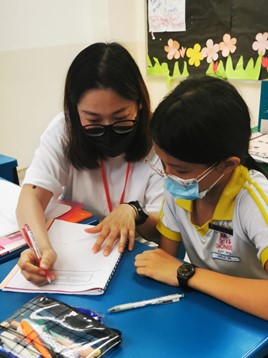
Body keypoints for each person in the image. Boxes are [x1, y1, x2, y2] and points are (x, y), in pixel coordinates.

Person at [16, 42, 163, 285]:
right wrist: (42, 250)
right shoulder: (64, 130)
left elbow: (166, 229)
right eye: (93, 120)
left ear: (139, 103)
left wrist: (134, 212)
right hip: (80, 253)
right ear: (75, 112)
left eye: (120, 118)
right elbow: (30, 197)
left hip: (138, 261)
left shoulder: (160, 139)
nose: (108, 130)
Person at [135, 75, 268, 320]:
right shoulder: (181, 189)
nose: (169, 176)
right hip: (210, 311)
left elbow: (175, 269)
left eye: (180, 169)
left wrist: (188, 273)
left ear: (227, 165)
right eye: (163, 164)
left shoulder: (253, 201)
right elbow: (165, 259)